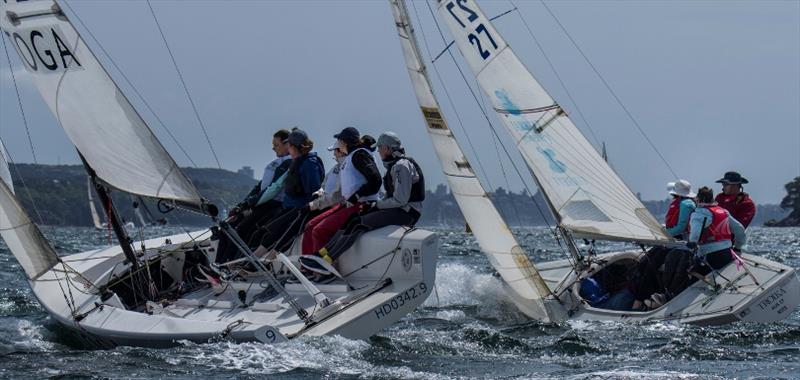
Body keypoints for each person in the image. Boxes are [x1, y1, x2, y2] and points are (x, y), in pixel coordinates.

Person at [300, 131, 424, 279]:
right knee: (352, 220)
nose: (378, 151)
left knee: (359, 223)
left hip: (407, 212)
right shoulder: (395, 166)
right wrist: (375, 205)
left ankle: (327, 259)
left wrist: (375, 205)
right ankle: (321, 255)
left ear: (388, 149)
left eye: (381, 148)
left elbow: (400, 200)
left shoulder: (401, 166)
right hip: (398, 209)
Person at [653, 186, 747, 305]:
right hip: (727, 254)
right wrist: (738, 247)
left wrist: (692, 242)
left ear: (698, 200)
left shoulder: (699, 214)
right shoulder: (723, 212)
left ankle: (670, 297)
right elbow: (740, 230)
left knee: (687, 269)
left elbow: (695, 236)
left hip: (711, 257)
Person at [299, 128, 381, 259]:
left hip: (361, 205)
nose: (337, 143)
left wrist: (356, 196)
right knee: (311, 226)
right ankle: (308, 267)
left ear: (344, 142)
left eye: (338, 140)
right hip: (349, 204)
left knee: (320, 230)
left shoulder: (359, 155)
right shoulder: (351, 157)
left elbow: (376, 180)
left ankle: (322, 268)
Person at [215, 129, 292, 264]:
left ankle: (229, 265)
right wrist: (243, 203)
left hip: (272, 204)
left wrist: (250, 203)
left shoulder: (289, 162)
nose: (273, 148)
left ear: (287, 144)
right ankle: (218, 264)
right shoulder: (277, 162)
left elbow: (273, 189)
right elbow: (260, 186)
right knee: (226, 227)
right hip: (260, 203)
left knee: (239, 230)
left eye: (276, 145)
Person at [249, 128, 325, 257]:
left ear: (294, 147)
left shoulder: (309, 164)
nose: (287, 149)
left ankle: (256, 263)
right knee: (266, 232)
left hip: (300, 211)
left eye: (289, 146)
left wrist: (306, 208)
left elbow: (314, 190)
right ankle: (251, 262)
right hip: (289, 208)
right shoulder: (297, 161)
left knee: (280, 235)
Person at [631, 180, 696, 310]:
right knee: (643, 262)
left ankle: (638, 302)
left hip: (678, 244)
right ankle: (640, 297)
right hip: (669, 242)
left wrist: (664, 233)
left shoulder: (686, 204)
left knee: (650, 266)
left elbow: (681, 227)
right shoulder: (681, 203)